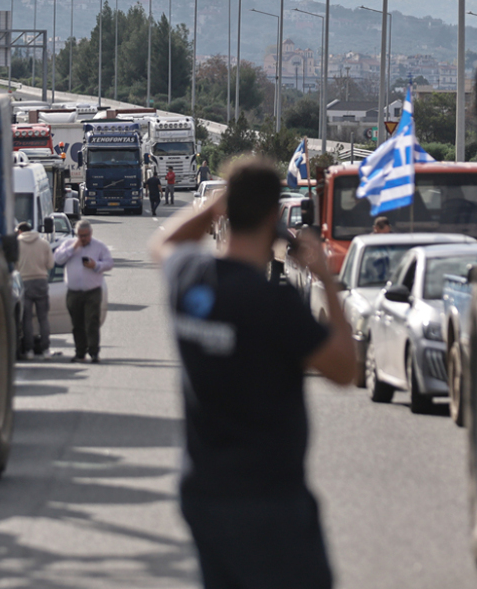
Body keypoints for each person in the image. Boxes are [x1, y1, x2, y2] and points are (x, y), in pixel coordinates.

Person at [150, 158, 358, 589]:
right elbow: (344, 368)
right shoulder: (275, 305)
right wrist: (325, 277)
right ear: (273, 217)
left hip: (204, 490)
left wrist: (213, 208)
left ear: (227, 211)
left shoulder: (190, 280)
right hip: (269, 497)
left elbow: (163, 244)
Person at [53, 220, 113, 363]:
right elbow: (58, 259)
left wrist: (96, 265)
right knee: (77, 324)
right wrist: (73, 248)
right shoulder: (69, 245)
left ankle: (93, 352)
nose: (83, 238)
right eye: (80, 235)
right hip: (74, 292)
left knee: (92, 322)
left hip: (92, 291)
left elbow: (109, 263)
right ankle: (80, 352)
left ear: (90, 234)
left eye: (85, 235)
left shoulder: (99, 246)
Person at [16, 221, 55, 359]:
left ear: (20, 231)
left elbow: (13, 266)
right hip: (41, 281)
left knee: (26, 319)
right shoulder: (44, 243)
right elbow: (50, 264)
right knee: (43, 318)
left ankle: (29, 350)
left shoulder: (17, 244)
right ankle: (46, 350)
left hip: (24, 282)